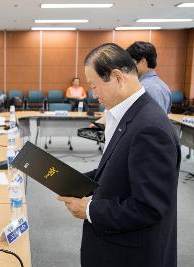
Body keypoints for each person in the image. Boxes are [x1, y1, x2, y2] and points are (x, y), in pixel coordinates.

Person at [58, 43, 180, 267]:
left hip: (131, 254)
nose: (94, 95)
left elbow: (148, 208)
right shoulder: (131, 115)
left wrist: (89, 209)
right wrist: (72, 181)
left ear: (116, 77)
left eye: (95, 86)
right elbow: (118, 169)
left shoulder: (149, 127)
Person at [126, 41, 172, 113]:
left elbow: (155, 121)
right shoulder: (163, 86)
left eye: (132, 62)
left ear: (143, 61)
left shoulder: (147, 88)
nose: (129, 67)